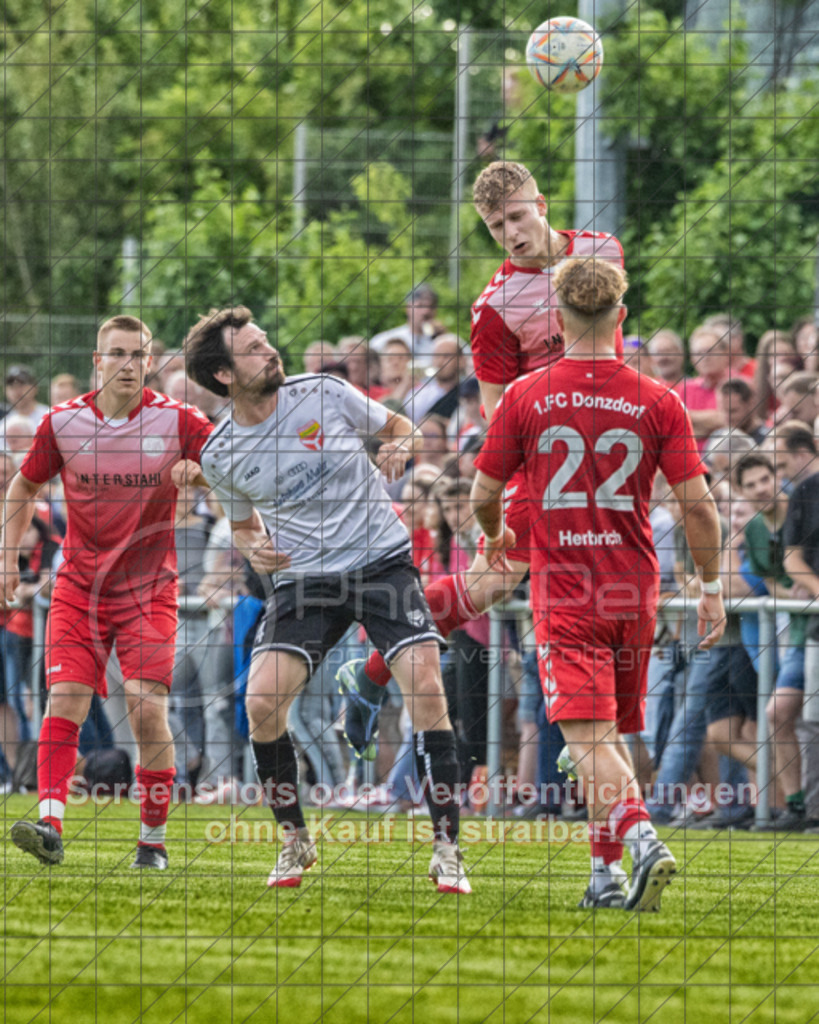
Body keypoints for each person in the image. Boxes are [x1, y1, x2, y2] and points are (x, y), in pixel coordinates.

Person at [336, 158, 627, 755]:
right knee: (493, 583)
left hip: (611, 453)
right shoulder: (494, 306)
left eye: (517, 217)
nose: (510, 233)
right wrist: (556, 440)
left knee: (604, 591)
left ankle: (592, 745)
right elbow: (497, 411)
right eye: (496, 226)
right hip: (549, 464)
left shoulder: (604, 250)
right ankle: (372, 672)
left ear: (541, 205)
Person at [183, 305, 471, 894]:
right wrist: (254, 548)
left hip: (381, 560)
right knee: (262, 703)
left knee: (425, 683)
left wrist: (397, 446)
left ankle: (448, 848)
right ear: (224, 375)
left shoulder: (322, 391)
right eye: (253, 349)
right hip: (305, 581)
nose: (270, 351)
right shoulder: (220, 453)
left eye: (266, 340)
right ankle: (295, 840)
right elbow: (243, 526)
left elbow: (402, 427)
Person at [470, 257, 725, 911]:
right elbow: (699, 510)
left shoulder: (525, 393)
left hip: (566, 590)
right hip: (633, 589)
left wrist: (495, 536)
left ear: (556, 319)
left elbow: (482, 493)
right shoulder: (659, 399)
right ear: (621, 316)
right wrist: (711, 587)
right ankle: (602, 877)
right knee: (605, 738)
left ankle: (643, 842)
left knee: (586, 741)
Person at [3, 315, 213, 869]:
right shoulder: (62, 422)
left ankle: (153, 840)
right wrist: (6, 558)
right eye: (117, 354)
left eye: (138, 355)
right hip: (79, 588)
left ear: (151, 363)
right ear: (97, 362)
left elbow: (235, 471)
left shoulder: (181, 421)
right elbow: (24, 485)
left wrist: (201, 477)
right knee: (65, 698)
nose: (127, 364)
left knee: (146, 710)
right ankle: (49, 825)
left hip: (149, 590)